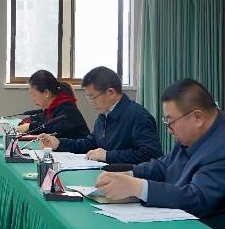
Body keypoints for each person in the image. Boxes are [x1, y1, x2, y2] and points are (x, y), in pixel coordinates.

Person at [95, 79, 225, 220]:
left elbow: (197, 198)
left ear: (198, 118)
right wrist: (129, 174)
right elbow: (163, 166)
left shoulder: (220, 147)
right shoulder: (193, 134)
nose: (169, 130)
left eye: (170, 122)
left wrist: (139, 187)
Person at [39, 66, 162, 164]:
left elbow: (151, 155)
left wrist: (108, 156)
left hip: (128, 180)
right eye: (88, 97)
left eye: (92, 97)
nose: (91, 102)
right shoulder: (104, 116)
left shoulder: (138, 116)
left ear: (111, 93)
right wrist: (59, 144)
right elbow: (89, 144)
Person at [16, 70, 89, 139]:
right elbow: (40, 118)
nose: (32, 99)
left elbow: (54, 130)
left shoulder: (67, 108)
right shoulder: (53, 107)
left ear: (47, 92)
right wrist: (25, 122)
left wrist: (30, 127)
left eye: (33, 95)